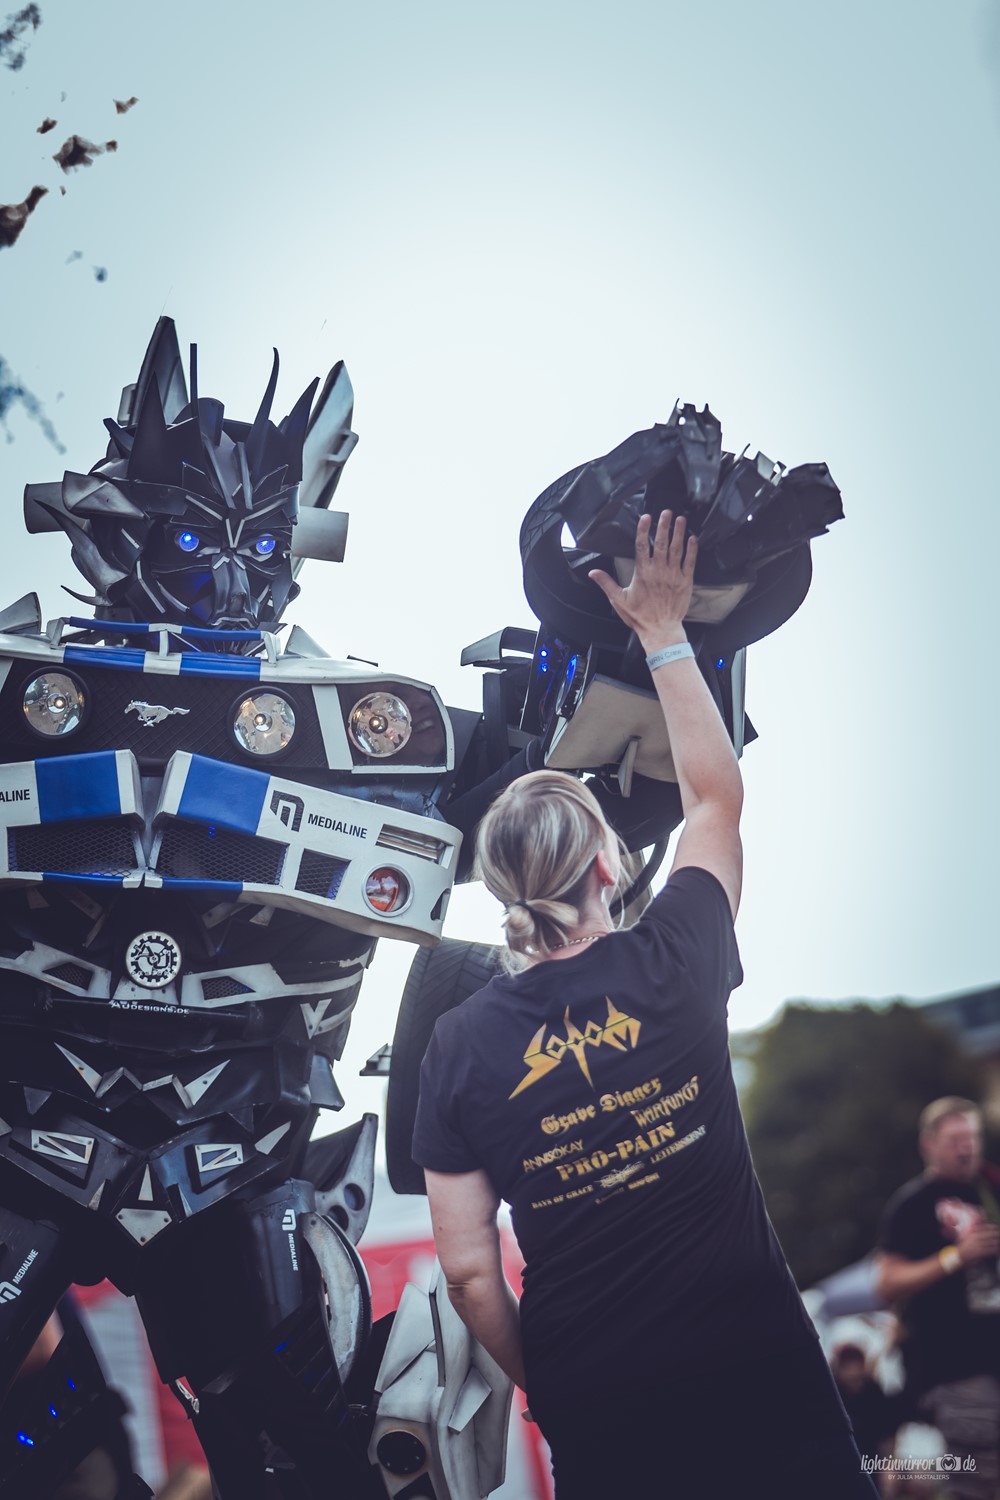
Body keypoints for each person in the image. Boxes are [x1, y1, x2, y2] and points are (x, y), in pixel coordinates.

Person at [412, 509, 878, 1498]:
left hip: (604, 1403)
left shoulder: (457, 1045)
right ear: (606, 862)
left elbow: (468, 1274)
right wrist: (664, 631)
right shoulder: (678, 952)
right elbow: (714, 798)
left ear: (502, 890)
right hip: (757, 1371)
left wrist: (554, 1385)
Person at [876, 1098, 1000, 1499]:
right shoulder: (911, 1204)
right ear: (928, 1144)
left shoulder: (990, 1188)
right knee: (980, 1480)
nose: (967, 1147)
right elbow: (886, 1282)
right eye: (955, 1139)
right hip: (956, 1366)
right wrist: (953, 1258)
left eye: (973, 1137)